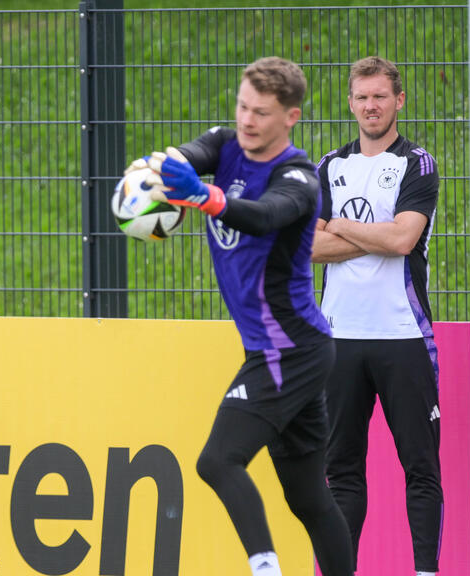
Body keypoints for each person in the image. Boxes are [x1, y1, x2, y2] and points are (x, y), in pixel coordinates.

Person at [134, 56, 354, 576]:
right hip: (277, 349)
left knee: (217, 460)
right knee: (307, 500)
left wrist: (205, 197)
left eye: (261, 112)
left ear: (291, 117)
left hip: (291, 350)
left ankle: (264, 569)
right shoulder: (227, 144)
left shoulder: (298, 175)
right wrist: (161, 168)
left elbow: (264, 216)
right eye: (242, 106)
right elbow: (193, 152)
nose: (247, 120)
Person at [311, 56, 443, 576]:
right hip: (339, 339)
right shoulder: (328, 167)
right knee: (340, 471)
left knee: (421, 469)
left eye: (380, 96)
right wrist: (375, 236)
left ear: (399, 102)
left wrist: (340, 224)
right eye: (362, 97)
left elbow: (404, 237)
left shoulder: (417, 164)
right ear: (351, 103)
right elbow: (308, 249)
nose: (371, 106)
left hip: (403, 336)